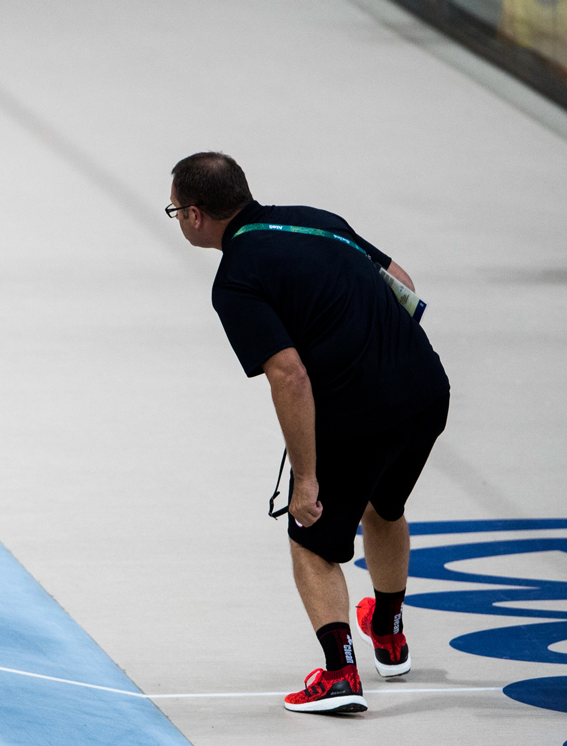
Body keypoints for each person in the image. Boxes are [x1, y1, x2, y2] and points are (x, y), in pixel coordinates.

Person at [168, 152, 450, 714]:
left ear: (197, 216)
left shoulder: (237, 279)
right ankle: (389, 633)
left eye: (176, 210)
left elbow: (290, 375)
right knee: (382, 506)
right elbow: (401, 282)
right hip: (426, 390)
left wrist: (306, 478)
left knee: (311, 537)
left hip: (357, 411)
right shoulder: (316, 219)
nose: (178, 220)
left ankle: (340, 674)